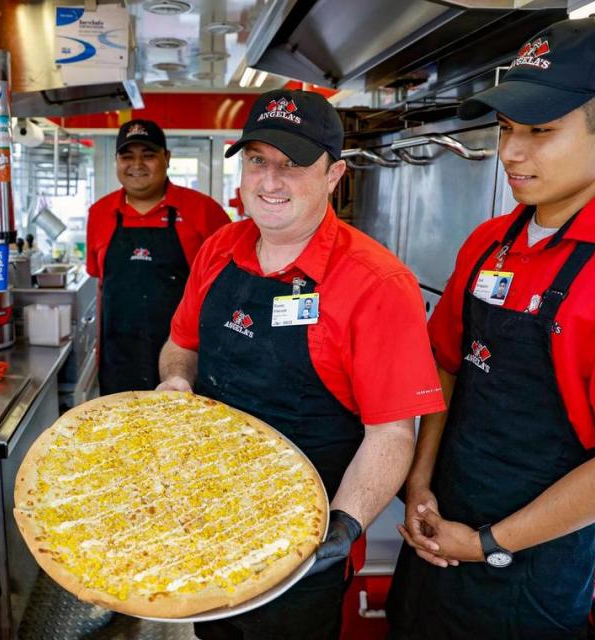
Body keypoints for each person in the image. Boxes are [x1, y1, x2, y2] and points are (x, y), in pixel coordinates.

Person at [387, 17, 595, 640]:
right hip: (438, 528)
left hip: (532, 568)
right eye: (505, 129)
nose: (510, 152)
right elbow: (446, 364)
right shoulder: (487, 242)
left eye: (540, 131)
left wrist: (484, 542)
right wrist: (418, 483)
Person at [157, 89, 445, 640]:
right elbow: (181, 343)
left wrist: (337, 531)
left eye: (292, 165)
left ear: (334, 174)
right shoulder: (220, 247)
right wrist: (176, 378)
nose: (269, 181)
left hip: (303, 544)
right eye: (258, 161)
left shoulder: (377, 285)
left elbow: (390, 435)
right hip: (205, 520)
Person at [86, 119, 229, 394]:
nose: (137, 165)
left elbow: (229, 285)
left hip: (187, 364)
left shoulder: (203, 211)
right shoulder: (99, 213)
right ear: (117, 161)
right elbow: (99, 281)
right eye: (127, 156)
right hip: (118, 361)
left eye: (148, 155)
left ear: (167, 158)